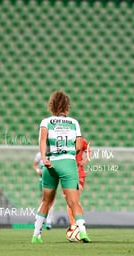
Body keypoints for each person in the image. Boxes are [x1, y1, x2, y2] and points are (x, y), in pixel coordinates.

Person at [32, 91, 91, 243]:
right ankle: (82, 232)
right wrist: (69, 151)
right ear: (67, 107)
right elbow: (79, 146)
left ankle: (36, 235)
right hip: (68, 163)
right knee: (74, 202)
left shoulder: (45, 122)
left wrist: (44, 158)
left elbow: (42, 141)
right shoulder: (73, 123)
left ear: (51, 106)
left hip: (51, 163)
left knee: (46, 201)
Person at [66, 137, 90, 226]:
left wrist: (84, 160)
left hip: (79, 172)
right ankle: (75, 224)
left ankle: (76, 224)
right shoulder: (65, 139)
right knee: (72, 200)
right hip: (68, 172)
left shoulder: (82, 140)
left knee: (75, 199)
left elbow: (88, 151)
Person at [33, 152, 54, 230]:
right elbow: (35, 165)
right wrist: (38, 171)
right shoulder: (39, 154)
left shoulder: (54, 153)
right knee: (45, 200)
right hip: (43, 180)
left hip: (52, 178)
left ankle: (48, 222)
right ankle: (39, 219)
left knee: (50, 201)